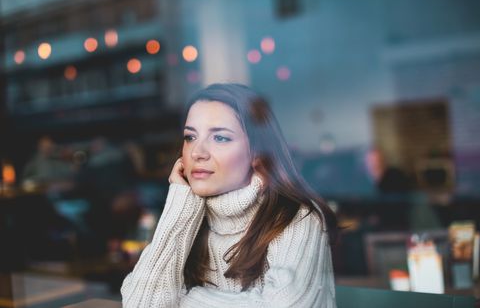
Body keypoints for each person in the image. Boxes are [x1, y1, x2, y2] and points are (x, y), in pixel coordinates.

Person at [121, 83, 338, 307]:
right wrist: (180, 209)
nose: (197, 152)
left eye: (220, 138)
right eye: (190, 137)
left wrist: (185, 301)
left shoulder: (297, 217)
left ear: (257, 152)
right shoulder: (188, 216)